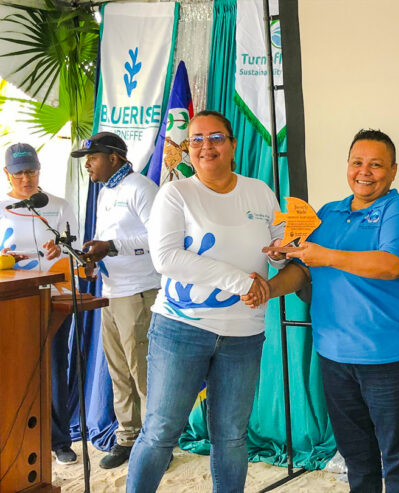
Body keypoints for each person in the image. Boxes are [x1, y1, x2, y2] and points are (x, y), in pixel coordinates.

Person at [246, 129, 399, 493]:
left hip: (395, 358)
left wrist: (327, 256)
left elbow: (392, 265)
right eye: (357, 162)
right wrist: (270, 286)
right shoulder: (328, 213)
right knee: (357, 457)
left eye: (376, 164)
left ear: (393, 171)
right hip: (335, 356)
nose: (364, 172)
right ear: (347, 166)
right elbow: (304, 270)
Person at [125, 110, 286, 492]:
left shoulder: (260, 191)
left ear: (232, 145)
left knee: (231, 436)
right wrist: (241, 282)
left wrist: (282, 252)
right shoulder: (176, 193)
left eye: (216, 138)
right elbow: (166, 258)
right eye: (196, 139)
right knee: (161, 432)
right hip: (181, 329)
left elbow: (278, 251)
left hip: (244, 334)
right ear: (187, 149)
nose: (206, 146)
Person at [70, 133, 160, 469]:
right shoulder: (106, 191)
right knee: (119, 372)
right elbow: (108, 239)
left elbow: (158, 237)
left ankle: (155, 446)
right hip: (111, 291)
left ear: (114, 158)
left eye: (92, 158)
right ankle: (128, 438)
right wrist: (93, 260)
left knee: (143, 373)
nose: (88, 165)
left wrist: (111, 247)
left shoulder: (141, 188)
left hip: (139, 291)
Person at [1, 143, 80, 464]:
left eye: (31, 171)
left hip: (55, 296)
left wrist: (61, 249)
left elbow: (77, 247)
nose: (26, 179)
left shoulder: (58, 206)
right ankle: (17, 436)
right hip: (12, 300)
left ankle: (59, 440)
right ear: (7, 173)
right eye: (19, 173)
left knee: (55, 366)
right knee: (14, 366)